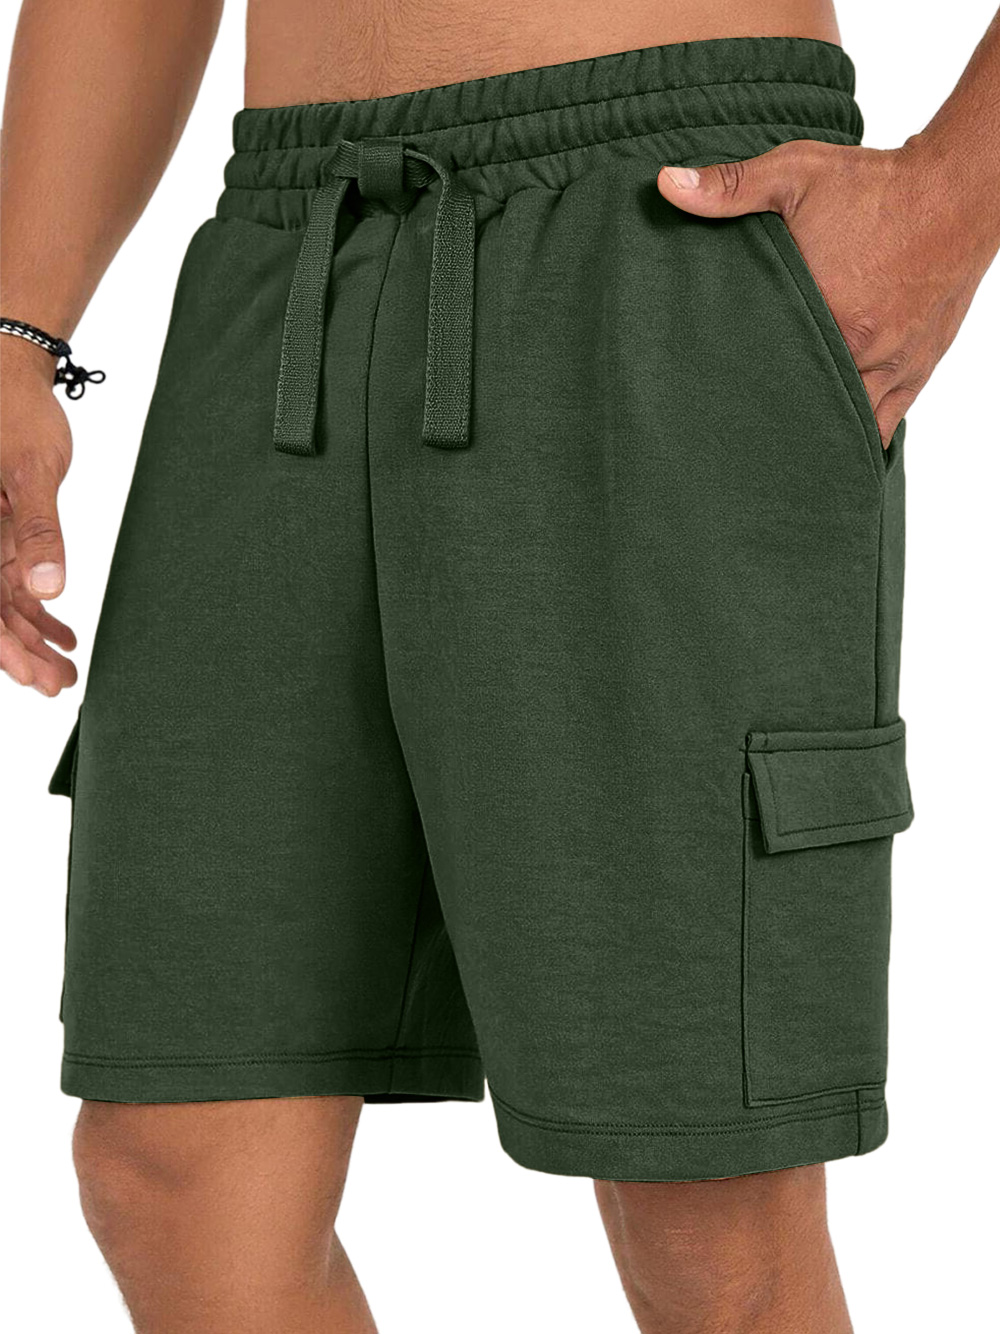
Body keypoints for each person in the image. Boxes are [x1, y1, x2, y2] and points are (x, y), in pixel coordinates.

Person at [1, 0, 997, 1329]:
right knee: (171, 1166)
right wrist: (17, 330)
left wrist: (948, 198)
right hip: (288, 243)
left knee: (705, 1202)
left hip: (664, 214)